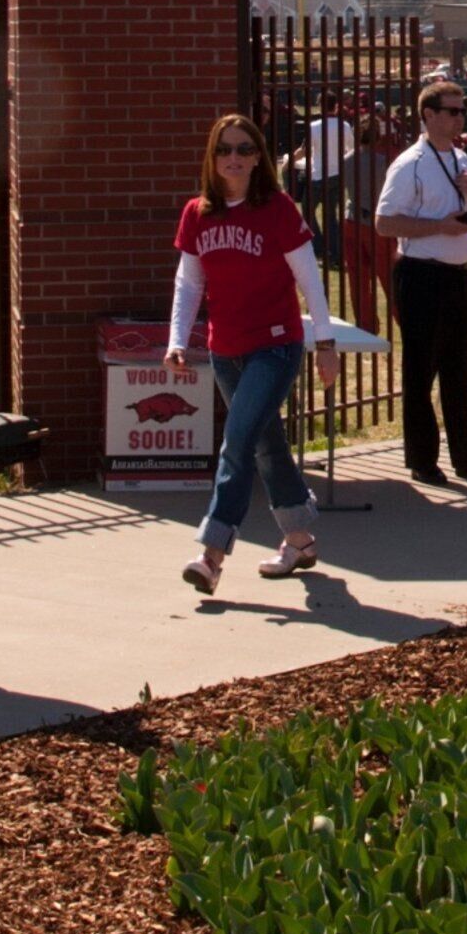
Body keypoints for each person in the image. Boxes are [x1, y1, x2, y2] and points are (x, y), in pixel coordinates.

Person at [163, 112, 335, 591]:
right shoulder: (197, 213)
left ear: (258, 157)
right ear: (212, 158)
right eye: (224, 150)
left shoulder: (278, 209)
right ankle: (300, 539)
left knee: (237, 445)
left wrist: (325, 343)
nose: (233, 158)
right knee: (265, 442)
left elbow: (309, 279)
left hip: (275, 346)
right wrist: (177, 340)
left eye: (243, 149)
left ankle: (211, 554)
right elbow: (188, 283)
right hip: (226, 349)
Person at [373, 76, 467, 485]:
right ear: (428, 115)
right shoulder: (410, 163)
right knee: (421, 371)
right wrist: (437, 226)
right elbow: (384, 223)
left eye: (462, 110)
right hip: (421, 275)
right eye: (451, 111)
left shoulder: (461, 159)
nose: (459, 118)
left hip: (460, 276)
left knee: (460, 371)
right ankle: (423, 460)